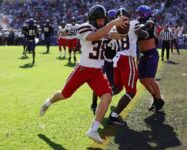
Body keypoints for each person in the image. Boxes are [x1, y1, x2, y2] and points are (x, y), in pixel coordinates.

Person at [39, 5, 127, 144]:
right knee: (64, 94)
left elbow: (111, 34)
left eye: (103, 20)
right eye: (99, 20)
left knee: (107, 96)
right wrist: (112, 24)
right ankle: (48, 102)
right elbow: (95, 36)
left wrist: (122, 32)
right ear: (92, 19)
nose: (102, 22)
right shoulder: (84, 27)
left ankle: (93, 129)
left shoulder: (104, 28)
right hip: (83, 70)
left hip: (97, 71)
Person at [107, 8, 148, 126]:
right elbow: (143, 35)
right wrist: (144, 28)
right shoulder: (133, 23)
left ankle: (104, 99)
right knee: (131, 91)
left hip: (117, 59)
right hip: (127, 59)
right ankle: (113, 116)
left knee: (118, 87)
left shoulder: (114, 27)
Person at [136, 5, 165, 112]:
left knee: (149, 78)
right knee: (142, 80)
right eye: (138, 13)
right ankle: (155, 98)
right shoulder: (137, 24)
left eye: (141, 13)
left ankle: (159, 100)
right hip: (143, 54)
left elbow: (149, 24)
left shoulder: (150, 20)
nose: (139, 15)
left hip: (151, 53)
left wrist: (140, 27)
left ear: (147, 13)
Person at [90, 9, 117, 114]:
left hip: (111, 60)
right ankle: (94, 102)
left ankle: (99, 101)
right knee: (101, 83)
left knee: (113, 84)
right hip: (104, 60)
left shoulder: (109, 29)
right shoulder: (105, 30)